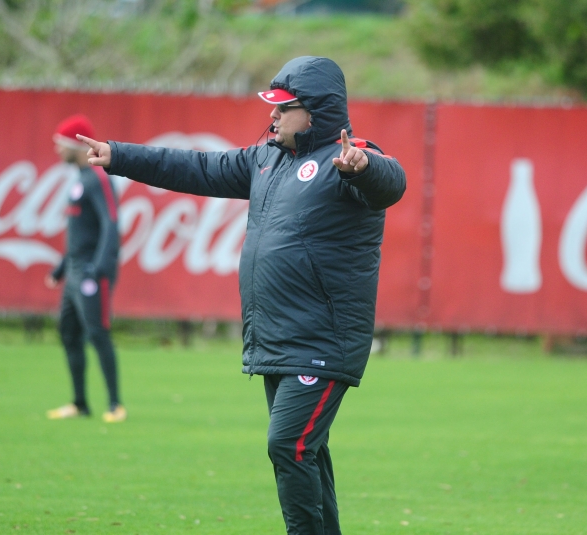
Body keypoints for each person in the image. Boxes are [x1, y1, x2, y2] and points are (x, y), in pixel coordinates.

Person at [78, 56, 406, 534]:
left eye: (283, 108)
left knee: (288, 445)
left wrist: (363, 165)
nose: (272, 117)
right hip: (278, 338)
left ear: (315, 112)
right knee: (307, 450)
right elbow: (196, 167)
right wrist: (119, 155)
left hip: (322, 342)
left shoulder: (349, 158)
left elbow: (389, 181)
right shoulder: (266, 159)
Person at [44, 114, 126, 424]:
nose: (57, 151)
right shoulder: (80, 180)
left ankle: (115, 404)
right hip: (74, 273)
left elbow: (111, 222)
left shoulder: (99, 179)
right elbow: (80, 235)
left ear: (73, 145)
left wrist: (99, 267)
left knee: (98, 334)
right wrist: (61, 268)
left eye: (60, 144)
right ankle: (79, 403)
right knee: (69, 333)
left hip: (92, 273)